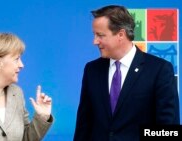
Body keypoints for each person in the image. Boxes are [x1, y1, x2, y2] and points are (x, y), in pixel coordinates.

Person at [74, 5, 180, 141]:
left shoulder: (159, 69)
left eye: (100, 35)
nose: (95, 41)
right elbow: (84, 123)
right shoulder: (92, 70)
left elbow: (168, 127)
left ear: (121, 34)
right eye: (94, 35)